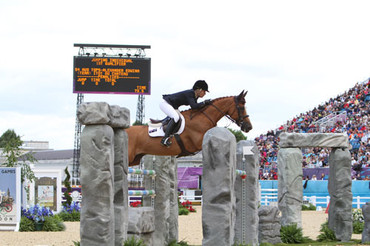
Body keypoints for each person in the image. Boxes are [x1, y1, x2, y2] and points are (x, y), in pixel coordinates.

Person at [159, 80, 211, 147]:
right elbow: (194, 106)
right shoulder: (190, 93)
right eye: (204, 91)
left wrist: (205, 105)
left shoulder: (195, 96)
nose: (205, 93)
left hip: (173, 106)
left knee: (179, 118)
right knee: (176, 117)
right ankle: (164, 139)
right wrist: (204, 103)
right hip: (165, 103)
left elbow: (195, 107)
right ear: (199, 90)